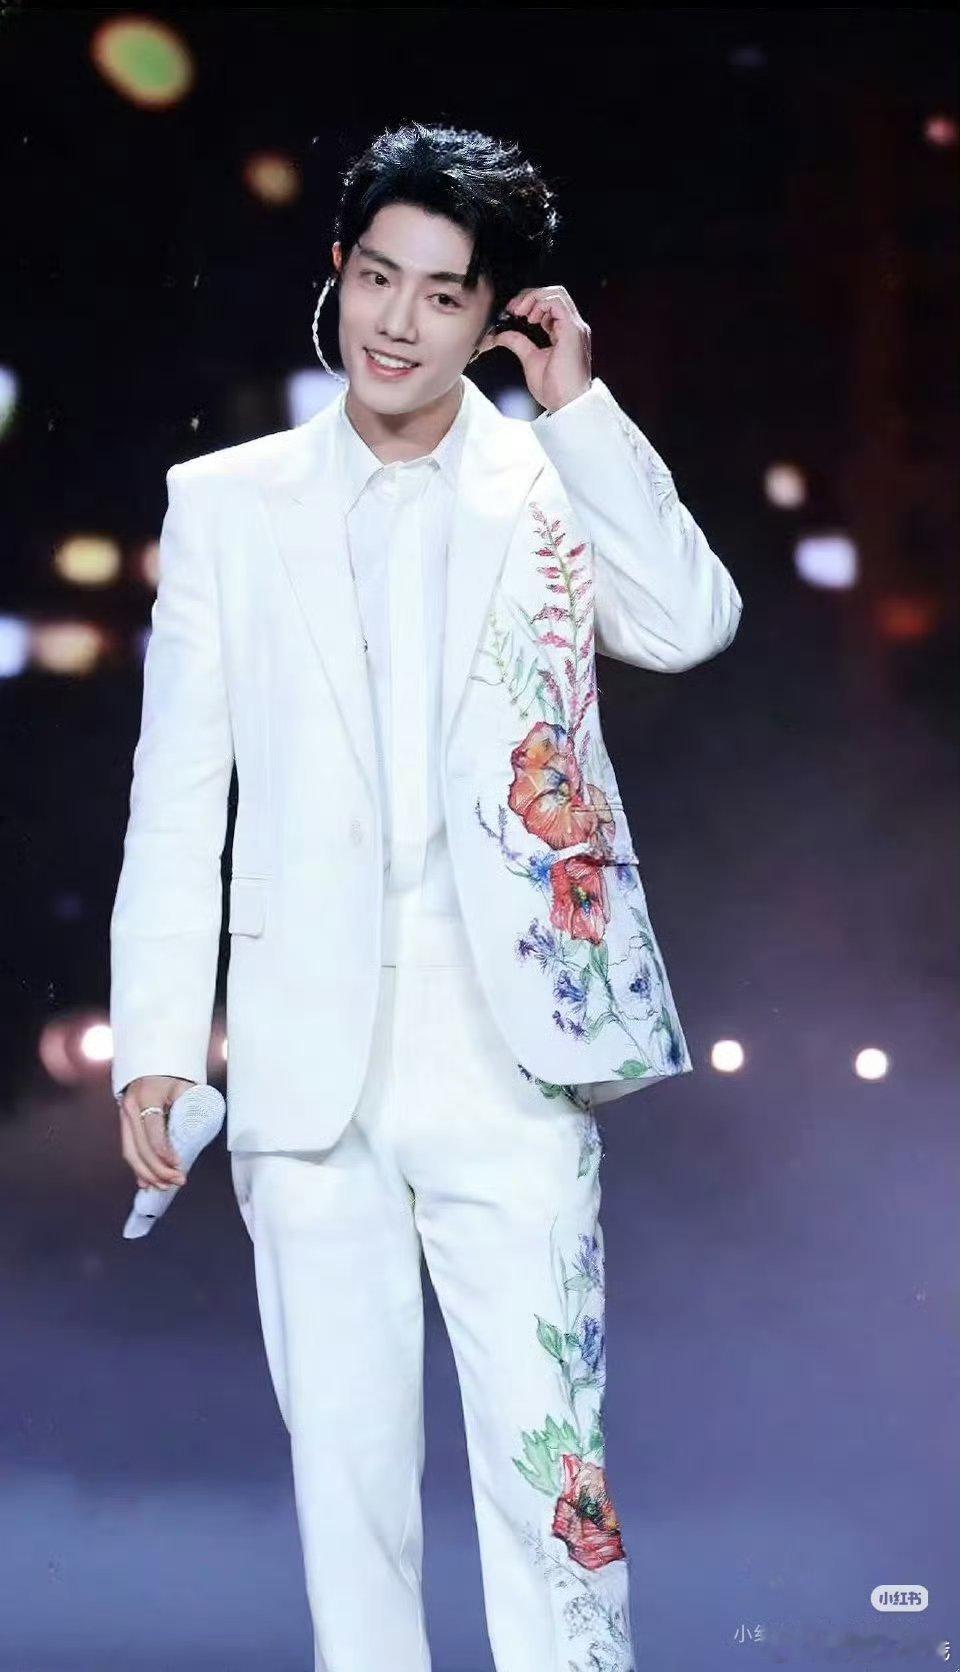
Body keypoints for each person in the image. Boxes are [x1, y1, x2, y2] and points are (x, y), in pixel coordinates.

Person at [110, 121, 742, 1672]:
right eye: (378, 277)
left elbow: (689, 622)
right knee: (349, 1496)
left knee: (552, 1482)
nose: (397, 322)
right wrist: (157, 1047)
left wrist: (577, 408)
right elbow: (178, 798)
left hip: (509, 1045)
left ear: (495, 314)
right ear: (337, 271)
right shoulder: (227, 501)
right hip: (303, 1054)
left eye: (444, 294)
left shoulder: (551, 477)